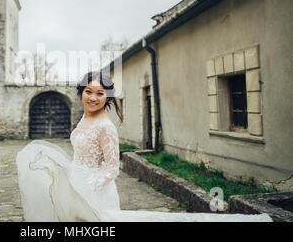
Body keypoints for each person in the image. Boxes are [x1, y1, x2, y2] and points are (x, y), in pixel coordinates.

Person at [16, 71, 272, 222]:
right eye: (89, 92)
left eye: (100, 94)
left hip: (94, 189)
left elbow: (112, 168)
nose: (93, 98)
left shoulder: (106, 127)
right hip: (76, 179)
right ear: (81, 92)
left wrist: (89, 185)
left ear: (108, 97)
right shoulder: (83, 117)